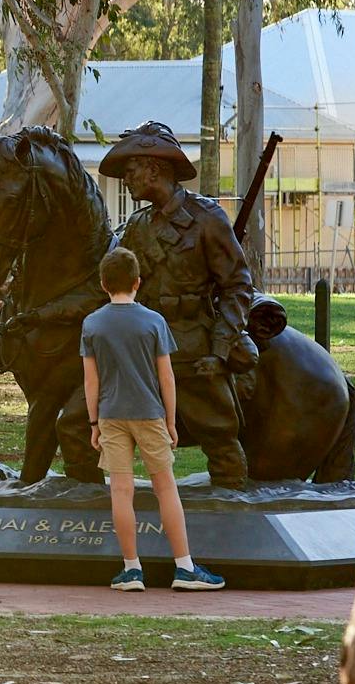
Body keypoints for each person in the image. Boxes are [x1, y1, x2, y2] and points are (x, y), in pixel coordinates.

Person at [101, 120, 257, 487]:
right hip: (140, 347)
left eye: (131, 170)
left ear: (154, 168)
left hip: (191, 348)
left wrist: (219, 351)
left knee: (220, 439)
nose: (126, 179)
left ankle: (231, 515)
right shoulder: (135, 226)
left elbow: (237, 286)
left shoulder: (206, 219)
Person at [82, 246, 226, 592]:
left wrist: (94, 423)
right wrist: (172, 421)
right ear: (138, 282)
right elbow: (167, 378)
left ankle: (131, 569)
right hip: (150, 414)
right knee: (165, 488)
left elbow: (91, 380)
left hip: (111, 415)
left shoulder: (92, 324)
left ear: (103, 284)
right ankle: (184, 567)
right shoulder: (154, 322)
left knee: (120, 490)